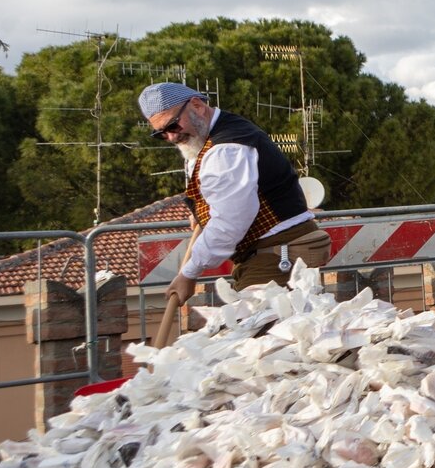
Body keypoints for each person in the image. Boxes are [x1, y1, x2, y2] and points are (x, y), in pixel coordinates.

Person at [139, 82, 331, 309]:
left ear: (197, 106)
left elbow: (230, 223)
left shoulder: (226, 148)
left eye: (173, 125)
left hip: (280, 253)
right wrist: (202, 214)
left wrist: (189, 274)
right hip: (270, 252)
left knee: (257, 337)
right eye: (161, 133)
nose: (171, 137)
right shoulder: (210, 139)